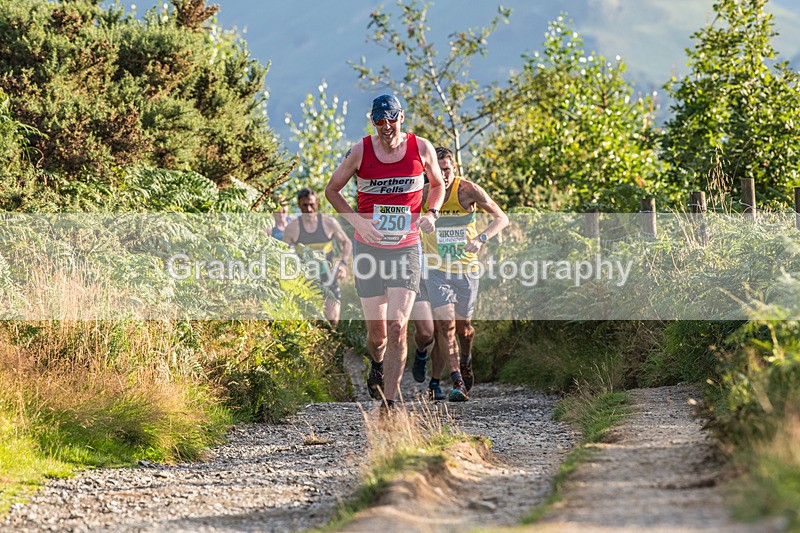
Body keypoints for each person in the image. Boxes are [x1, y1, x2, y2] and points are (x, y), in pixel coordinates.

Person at [325, 94, 445, 408]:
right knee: (377, 335)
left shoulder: (421, 148)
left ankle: (390, 404)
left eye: (391, 118)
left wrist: (432, 213)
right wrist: (358, 223)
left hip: (406, 248)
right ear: (373, 121)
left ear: (401, 117)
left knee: (397, 325)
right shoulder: (360, 151)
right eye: (379, 120)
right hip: (369, 249)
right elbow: (332, 190)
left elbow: (437, 184)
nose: (386, 126)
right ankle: (377, 364)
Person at [419, 146, 508, 401]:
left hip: (466, 269)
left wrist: (481, 238)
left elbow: (501, 218)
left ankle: (466, 359)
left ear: (454, 168)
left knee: (463, 328)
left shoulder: (468, 190)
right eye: (438, 170)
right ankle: (457, 381)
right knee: (445, 325)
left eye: (447, 169)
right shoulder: (423, 193)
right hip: (436, 269)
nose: (443, 175)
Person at [282, 188, 352, 328]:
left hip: (328, 278)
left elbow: (347, 242)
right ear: (299, 205)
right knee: (312, 325)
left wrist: (343, 264)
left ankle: (333, 339)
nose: (309, 209)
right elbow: (282, 253)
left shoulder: (329, 223)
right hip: (305, 281)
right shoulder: (292, 228)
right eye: (304, 205)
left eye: (311, 204)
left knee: (332, 322)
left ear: (317, 203)